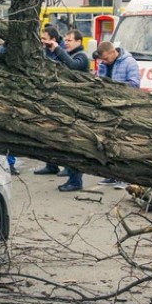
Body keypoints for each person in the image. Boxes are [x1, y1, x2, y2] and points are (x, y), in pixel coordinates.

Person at [44, 28, 91, 192]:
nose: (67, 43)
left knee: (75, 145)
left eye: (70, 40)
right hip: (70, 106)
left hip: (79, 109)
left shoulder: (82, 57)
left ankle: (76, 181)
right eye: (67, 40)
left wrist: (57, 48)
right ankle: (72, 177)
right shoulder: (71, 55)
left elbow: (72, 66)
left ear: (79, 42)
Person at [95, 40, 141, 188]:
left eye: (107, 58)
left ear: (113, 52)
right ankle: (111, 175)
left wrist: (114, 87)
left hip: (124, 108)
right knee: (108, 142)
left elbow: (134, 84)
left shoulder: (130, 62)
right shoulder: (104, 64)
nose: (105, 62)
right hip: (108, 108)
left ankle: (124, 177)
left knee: (123, 143)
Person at [32, 25, 68, 176]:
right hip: (47, 94)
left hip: (61, 97)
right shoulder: (44, 50)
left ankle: (68, 166)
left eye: (44, 39)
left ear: (53, 40)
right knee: (47, 132)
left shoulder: (63, 52)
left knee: (64, 135)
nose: (42, 41)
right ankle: (51, 164)